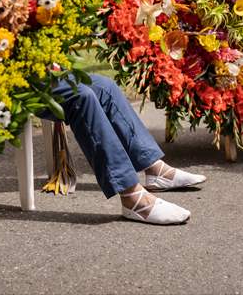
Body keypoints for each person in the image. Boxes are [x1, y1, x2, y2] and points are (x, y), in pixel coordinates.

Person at [39, 74, 206, 225]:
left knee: (105, 87)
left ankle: (154, 169)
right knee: (81, 96)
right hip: (18, 78)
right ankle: (132, 197)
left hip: (39, 67)